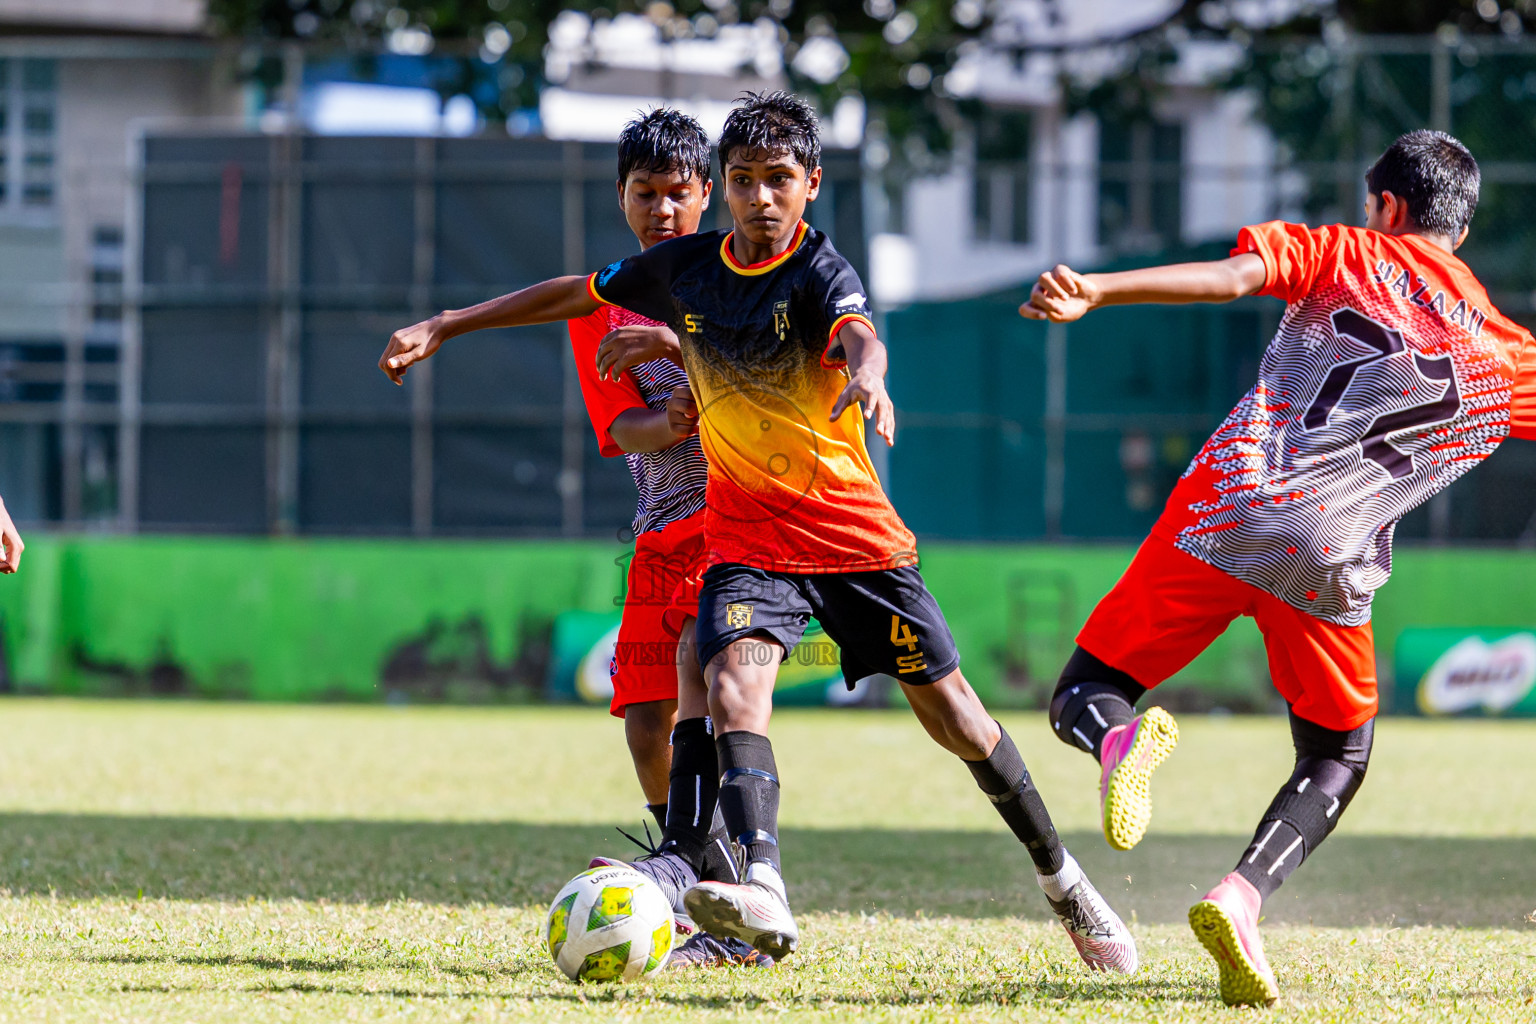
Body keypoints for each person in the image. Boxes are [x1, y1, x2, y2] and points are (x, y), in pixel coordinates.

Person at [547, 90, 1135, 971]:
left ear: (809, 185)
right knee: (716, 685)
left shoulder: (817, 270)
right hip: (742, 544)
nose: (758, 198)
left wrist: (871, 378)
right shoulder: (679, 276)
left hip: (853, 542)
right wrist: (447, 324)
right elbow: (584, 308)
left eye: (774, 180)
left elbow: (858, 334)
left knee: (961, 722)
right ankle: (755, 891)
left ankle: (1062, 878)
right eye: (745, 180)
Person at [1022, 129, 1536, 1006]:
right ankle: (1241, 897)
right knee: (1338, 754)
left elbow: (1229, 279)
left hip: (1226, 510)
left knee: (1081, 691)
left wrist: (1096, 291)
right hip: (1330, 556)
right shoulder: (1506, 355)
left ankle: (1115, 739)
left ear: (1387, 206)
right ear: (1462, 225)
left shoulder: (1343, 252)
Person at [382, 108, 759, 968]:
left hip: (738, 529)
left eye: (677, 192)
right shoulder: (611, 297)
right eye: (644, 192)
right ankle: (698, 865)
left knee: (712, 685)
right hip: (660, 533)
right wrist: (663, 417)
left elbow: (770, 377)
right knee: (642, 722)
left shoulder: (739, 276)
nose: (662, 209)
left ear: (707, 194)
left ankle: (735, 889)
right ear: (623, 197)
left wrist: (683, 352)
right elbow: (618, 426)